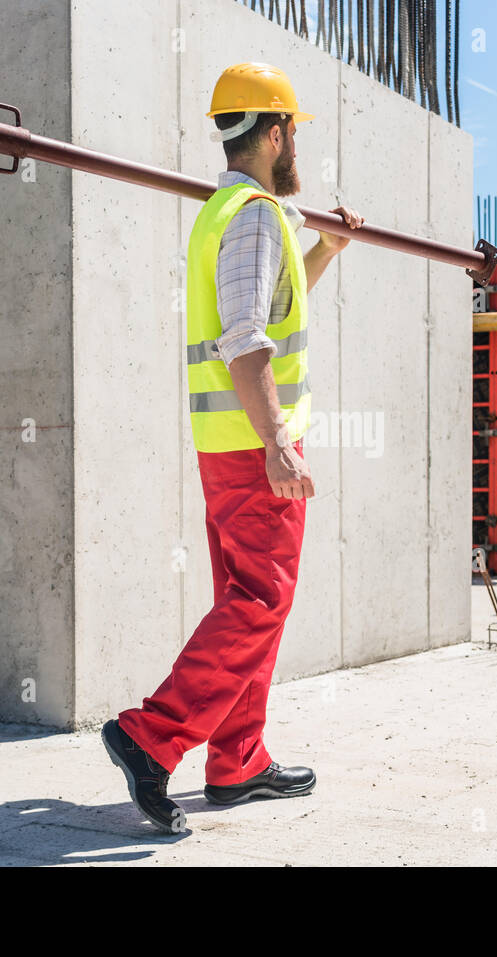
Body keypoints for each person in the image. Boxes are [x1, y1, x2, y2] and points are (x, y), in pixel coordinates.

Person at [101, 63, 363, 834]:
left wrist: (327, 250)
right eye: (293, 132)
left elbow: (272, 307)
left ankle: (238, 758)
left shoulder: (237, 214)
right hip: (254, 447)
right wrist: (280, 442)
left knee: (248, 603)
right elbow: (247, 339)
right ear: (274, 131)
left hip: (229, 444)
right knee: (260, 601)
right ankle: (152, 735)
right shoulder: (252, 215)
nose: (294, 147)